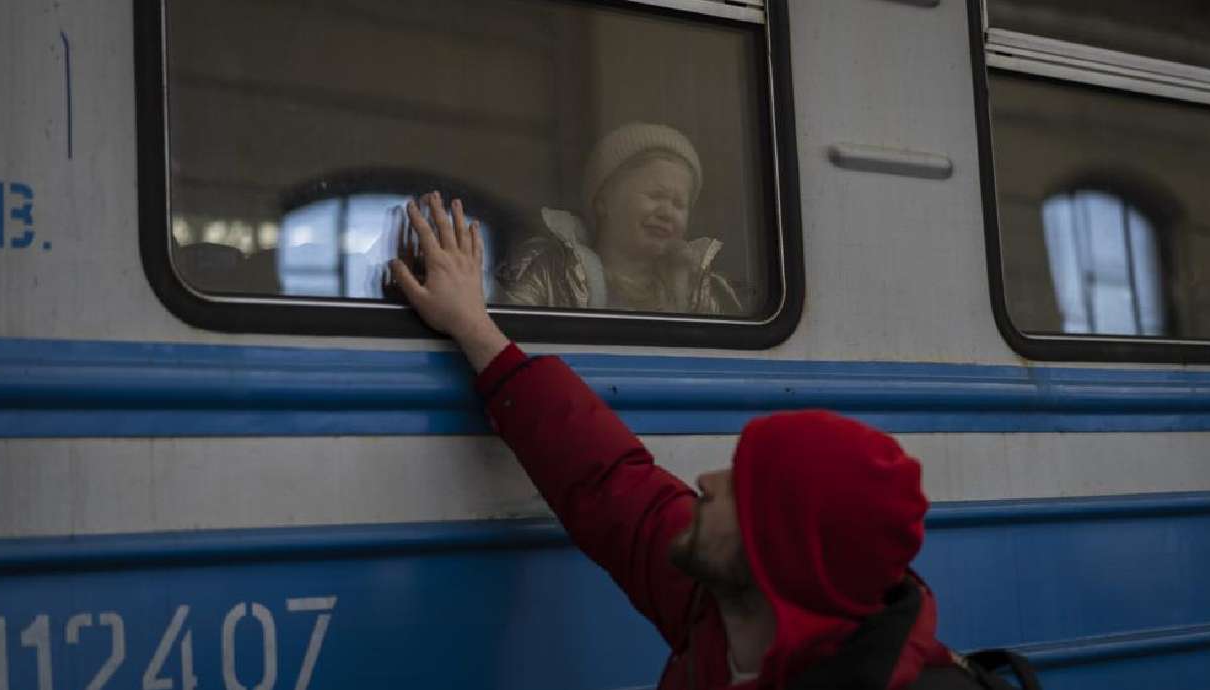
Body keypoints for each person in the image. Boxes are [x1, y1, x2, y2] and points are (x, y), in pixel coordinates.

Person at [389, 193, 998, 690]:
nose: (705, 482)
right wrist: (474, 326)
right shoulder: (727, 611)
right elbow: (608, 480)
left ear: (780, 552)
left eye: (743, 488)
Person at [496, 123, 744, 315]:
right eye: (655, 195)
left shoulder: (698, 289)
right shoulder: (553, 272)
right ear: (603, 201)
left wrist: (681, 288)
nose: (667, 212)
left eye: (679, 204)